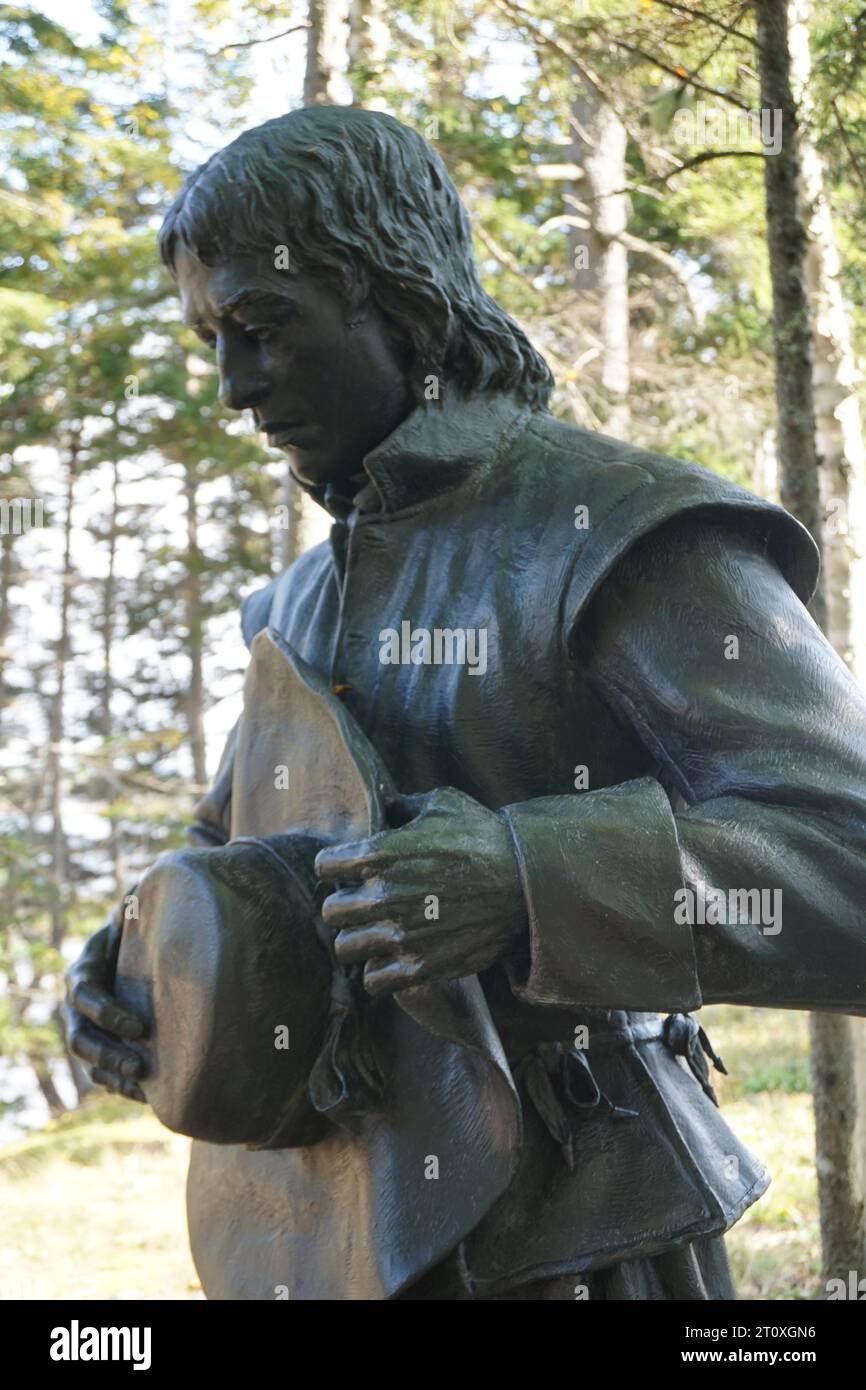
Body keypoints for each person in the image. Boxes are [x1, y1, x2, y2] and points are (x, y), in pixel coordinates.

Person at [64, 105, 866, 1301]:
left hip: (582, 1243)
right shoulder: (293, 606)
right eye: (211, 341)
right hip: (330, 1246)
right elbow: (232, 849)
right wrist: (135, 965)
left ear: (403, 302)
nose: (233, 387)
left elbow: (843, 862)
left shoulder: (615, 531)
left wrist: (521, 875)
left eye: (262, 326)